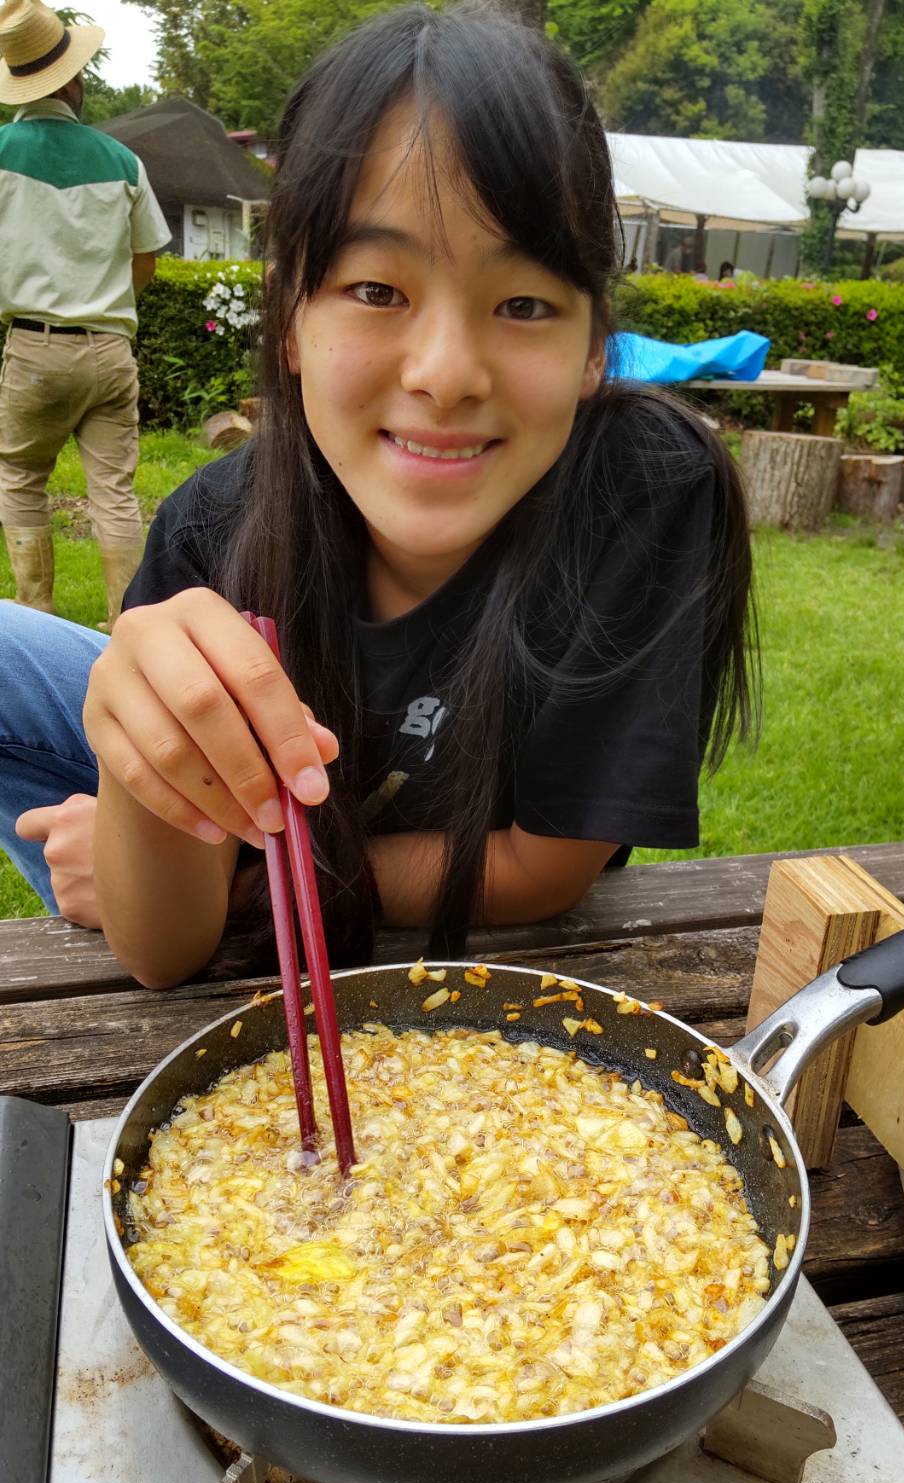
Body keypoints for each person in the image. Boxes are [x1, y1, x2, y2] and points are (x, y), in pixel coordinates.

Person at [0, 2, 758, 981]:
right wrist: (137, 788)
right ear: (289, 321)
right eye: (375, 290)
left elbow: (542, 869)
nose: (446, 374)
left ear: (592, 349)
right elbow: (165, 954)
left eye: (525, 303)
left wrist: (247, 886)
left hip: (314, 872)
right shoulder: (214, 533)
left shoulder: (642, 491)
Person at [0, 0, 170, 628]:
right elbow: (146, 260)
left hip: (34, 350)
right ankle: (130, 621)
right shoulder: (123, 160)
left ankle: (38, 614)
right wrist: (104, 307)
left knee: (21, 478)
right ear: (72, 78)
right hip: (110, 350)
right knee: (115, 493)